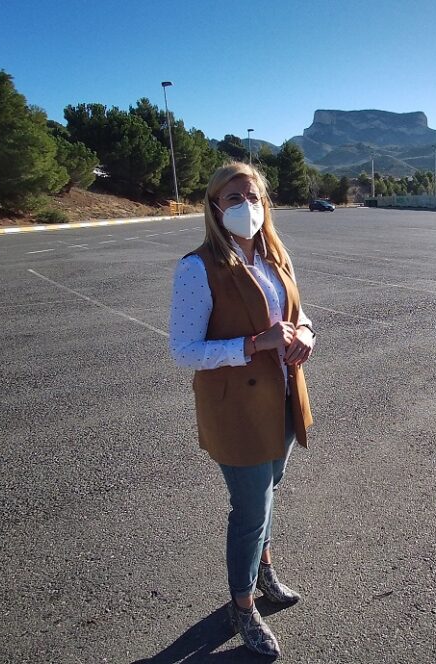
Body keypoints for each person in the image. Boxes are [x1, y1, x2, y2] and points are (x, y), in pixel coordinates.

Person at [168, 163, 315, 658]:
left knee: (268, 496)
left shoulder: (275, 255)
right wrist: (253, 344)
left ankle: (264, 570)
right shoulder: (198, 268)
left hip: (283, 399)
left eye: (252, 196)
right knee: (251, 511)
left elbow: (298, 315)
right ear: (214, 207)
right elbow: (184, 350)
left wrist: (306, 334)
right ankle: (243, 605)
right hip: (237, 410)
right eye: (233, 198)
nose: (245, 206)